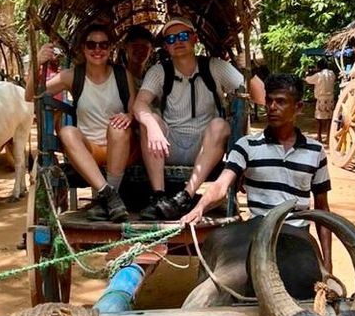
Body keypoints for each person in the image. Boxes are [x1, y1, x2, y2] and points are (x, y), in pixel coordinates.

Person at [181, 73, 333, 270]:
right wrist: (199, 208)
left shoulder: (316, 152)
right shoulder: (247, 146)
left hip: (298, 232)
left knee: (310, 282)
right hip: (257, 229)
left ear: (298, 107)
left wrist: (328, 263)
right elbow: (221, 184)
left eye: (280, 102)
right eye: (269, 101)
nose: (272, 107)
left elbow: (322, 208)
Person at [131, 16, 245, 220]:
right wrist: (152, 125)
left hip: (206, 149)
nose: (178, 42)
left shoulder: (215, 67)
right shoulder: (159, 72)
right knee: (150, 119)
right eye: (171, 39)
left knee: (220, 124)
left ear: (195, 39)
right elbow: (139, 103)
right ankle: (159, 196)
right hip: (168, 144)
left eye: (183, 36)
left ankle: (186, 196)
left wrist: (247, 72)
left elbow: (259, 97)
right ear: (166, 46)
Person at [25, 24, 137, 221]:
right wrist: (37, 63)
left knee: (117, 128)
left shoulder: (122, 75)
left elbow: (135, 109)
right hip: (90, 150)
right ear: (83, 49)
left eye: (103, 45)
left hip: (121, 148)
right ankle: (109, 196)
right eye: (91, 45)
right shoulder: (73, 75)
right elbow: (31, 95)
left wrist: (129, 116)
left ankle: (106, 200)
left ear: (110, 49)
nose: (97, 50)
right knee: (68, 131)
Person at [305, 59, 336, 141]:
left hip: (321, 99)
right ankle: (329, 136)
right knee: (329, 118)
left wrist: (308, 73)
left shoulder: (318, 75)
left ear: (319, 67)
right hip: (330, 98)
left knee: (319, 119)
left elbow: (308, 80)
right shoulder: (331, 73)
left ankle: (319, 136)